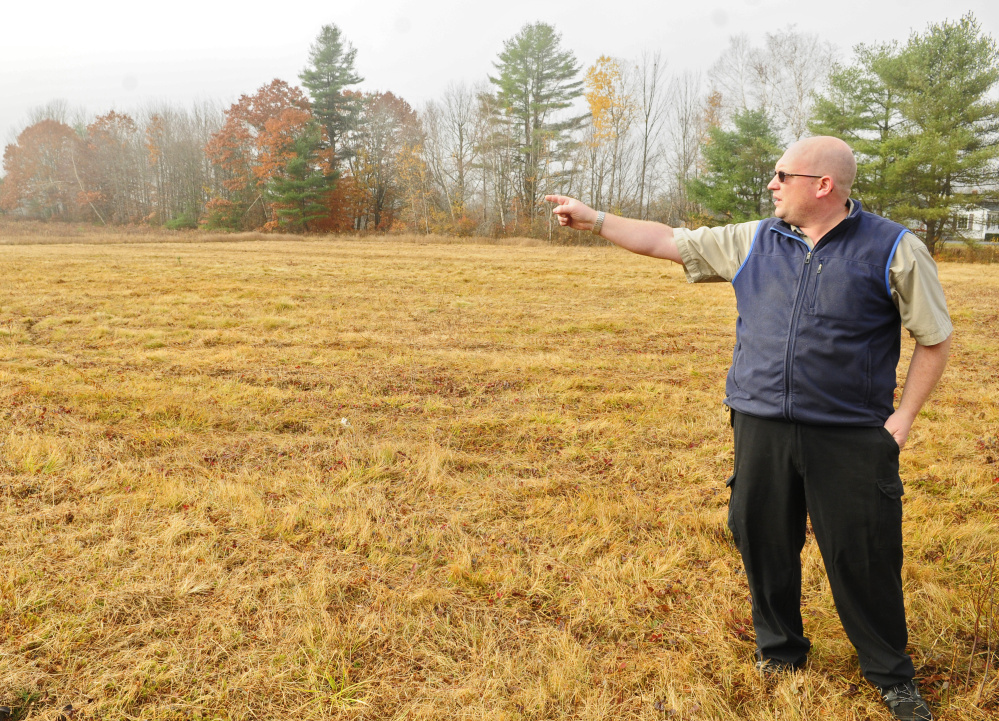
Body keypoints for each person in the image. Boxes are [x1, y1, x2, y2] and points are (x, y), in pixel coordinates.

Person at [545, 136, 952, 721]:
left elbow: (934, 338)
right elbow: (666, 240)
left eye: (782, 175)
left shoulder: (894, 248)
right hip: (760, 423)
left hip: (851, 434)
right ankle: (781, 652)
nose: (771, 185)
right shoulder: (755, 239)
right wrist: (596, 219)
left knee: (863, 554)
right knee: (762, 540)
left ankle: (892, 677)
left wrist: (902, 418)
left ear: (823, 186)